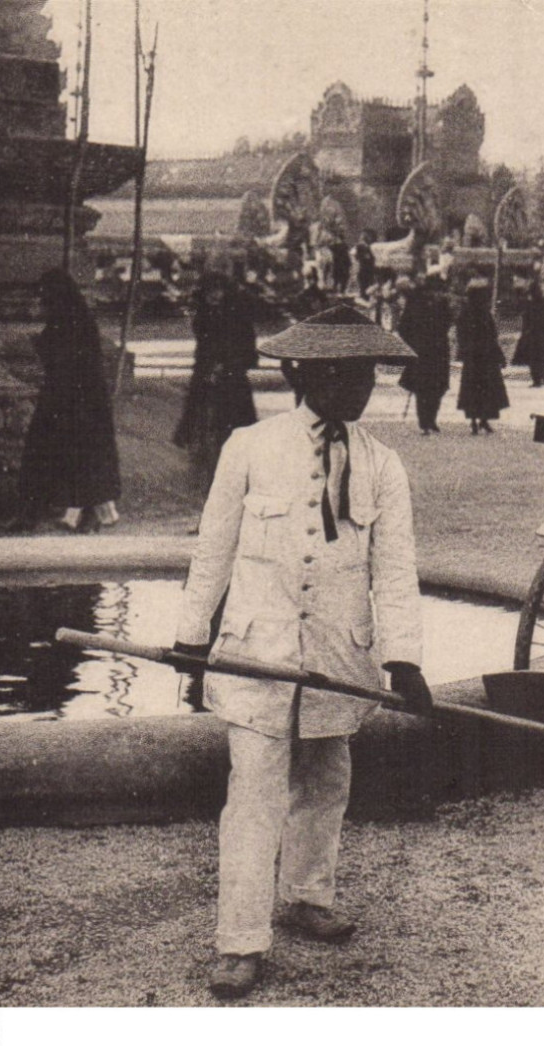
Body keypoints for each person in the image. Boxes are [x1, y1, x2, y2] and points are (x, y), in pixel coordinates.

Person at [173, 304, 433, 1000]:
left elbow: (395, 571)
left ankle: (307, 895)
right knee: (254, 793)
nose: (360, 389)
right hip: (257, 652)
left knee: (325, 778)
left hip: (336, 655)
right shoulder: (249, 448)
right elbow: (213, 551)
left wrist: (403, 659)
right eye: (344, 374)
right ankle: (240, 940)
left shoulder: (383, 466)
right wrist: (192, 639)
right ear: (306, 374)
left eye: (368, 375)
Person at [17, 267, 122, 531]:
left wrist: (39, 345)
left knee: (72, 455)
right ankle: (76, 514)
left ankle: (77, 514)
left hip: (75, 399)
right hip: (74, 398)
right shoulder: (73, 317)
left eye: (45, 295)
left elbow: (66, 358)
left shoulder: (71, 320)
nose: (42, 301)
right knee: (75, 456)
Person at [174, 270, 259, 494]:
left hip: (232, 384)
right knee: (202, 430)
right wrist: (206, 372)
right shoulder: (203, 317)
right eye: (209, 291)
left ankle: (234, 479)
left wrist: (225, 367)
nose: (213, 295)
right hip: (206, 382)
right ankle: (206, 480)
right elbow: (202, 352)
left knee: (233, 433)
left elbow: (249, 355)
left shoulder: (238, 318)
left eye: (218, 291)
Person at [395, 273, 453, 435]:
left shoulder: (437, 302)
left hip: (432, 349)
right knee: (430, 386)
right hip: (431, 349)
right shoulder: (419, 301)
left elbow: (403, 327)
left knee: (432, 386)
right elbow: (404, 327)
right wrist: (413, 342)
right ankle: (427, 421)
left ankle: (428, 420)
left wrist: (412, 342)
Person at [455, 276, 509, 434]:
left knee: (473, 388)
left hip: (473, 356)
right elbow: (492, 336)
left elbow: (461, 334)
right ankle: (483, 420)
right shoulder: (484, 313)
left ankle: (475, 420)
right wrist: (498, 355)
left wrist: (464, 350)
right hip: (485, 356)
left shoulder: (466, 312)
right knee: (486, 388)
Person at [512, 273, 544, 387]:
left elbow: (526, 319)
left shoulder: (529, 305)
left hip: (532, 335)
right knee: (542, 357)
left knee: (533, 358)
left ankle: (537, 379)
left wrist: (525, 332)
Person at [354, 231, 377, 299]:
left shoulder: (363, 246)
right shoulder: (367, 246)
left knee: (364, 284)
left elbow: (357, 257)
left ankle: (364, 296)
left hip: (365, 268)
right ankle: (365, 296)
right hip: (367, 268)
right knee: (366, 283)